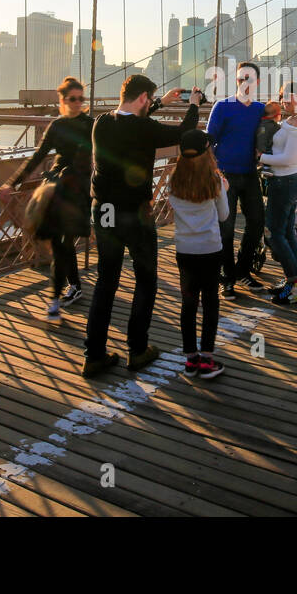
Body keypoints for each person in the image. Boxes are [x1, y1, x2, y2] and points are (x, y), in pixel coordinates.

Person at [85, 74, 201, 378]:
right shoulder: (145, 128)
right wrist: (193, 105)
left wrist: (162, 101)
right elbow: (183, 133)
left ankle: (94, 356)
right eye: (149, 100)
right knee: (145, 279)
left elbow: (131, 124)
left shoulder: (102, 122)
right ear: (142, 99)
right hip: (134, 213)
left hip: (103, 210)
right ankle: (137, 350)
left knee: (106, 281)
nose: (149, 104)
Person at [0, 76, 92, 323]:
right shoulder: (57, 126)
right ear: (63, 100)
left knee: (65, 242)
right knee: (61, 245)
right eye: (73, 99)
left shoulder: (91, 124)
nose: (78, 103)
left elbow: (113, 144)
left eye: (82, 99)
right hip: (57, 189)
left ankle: (63, 294)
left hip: (79, 189)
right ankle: (62, 294)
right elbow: (37, 156)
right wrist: (12, 182)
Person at [165, 130, 229, 380]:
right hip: (210, 248)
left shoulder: (174, 179)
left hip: (185, 249)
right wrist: (224, 188)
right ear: (206, 151)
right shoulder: (213, 179)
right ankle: (207, 360)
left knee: (189, 303)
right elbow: (223, 216)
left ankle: (190, 360)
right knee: (211, 302)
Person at [205, 61, 266, 301]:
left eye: (249, 79)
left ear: (258, 82)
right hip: (225, 175)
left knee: (257, 221)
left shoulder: (260, 109)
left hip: (251, 173)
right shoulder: (222, 107)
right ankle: (227, 278)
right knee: (226, 227)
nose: (244, 83)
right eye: (240, 79)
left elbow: (273, 134)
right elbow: (209, 141)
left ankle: (243, 270)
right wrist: (215, 173)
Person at [260, 81, 297, 304]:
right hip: (286, 180)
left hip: (286, 180)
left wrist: (259, 158)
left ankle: (296, 284)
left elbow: (288, 158)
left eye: (289, 97)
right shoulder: (291, 120)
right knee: (287, 230)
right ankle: (292, 281)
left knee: (274, 232)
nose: (284, 100)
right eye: (282, 96)